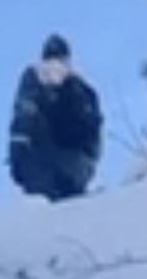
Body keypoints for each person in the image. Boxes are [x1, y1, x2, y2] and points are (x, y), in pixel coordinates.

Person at [8, 34, 103, 201]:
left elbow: (24, 112)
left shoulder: (36, 78)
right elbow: (95, 136)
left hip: (51, 161)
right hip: (76, 165)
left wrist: (17, 147)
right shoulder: (84, 89)